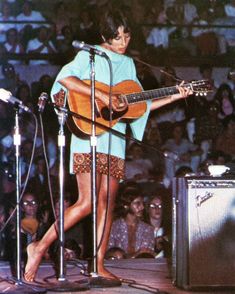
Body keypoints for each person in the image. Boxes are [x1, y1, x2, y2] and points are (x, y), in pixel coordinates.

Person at [21, 9, 191, 283]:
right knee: (86, 202)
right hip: (89, 134)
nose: (123, 42)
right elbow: (65, 80)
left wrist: (174, 95)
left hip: (114, 141)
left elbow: (138, 106)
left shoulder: (129, 65)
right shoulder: (88, 56)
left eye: (126, 35)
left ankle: (98, 265)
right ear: (104, 37)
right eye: (116, 38)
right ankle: (39, 246)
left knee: (107, 203)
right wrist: (102, 94)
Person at [107, 182, 155, 259]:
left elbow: (146, 256)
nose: (142, 207)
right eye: (137, 203)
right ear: (126, 205)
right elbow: (109, 255)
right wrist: (135, 255)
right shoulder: (114, 227)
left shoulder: (147, 229)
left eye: (142, 203)